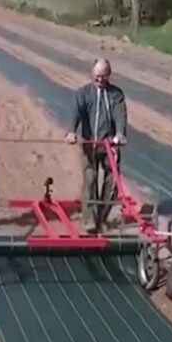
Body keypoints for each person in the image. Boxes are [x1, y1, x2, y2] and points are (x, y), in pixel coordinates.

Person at [65, 58, 127, 232]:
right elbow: (75, 114)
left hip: (110, 146)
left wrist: (120, 134)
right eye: (97, 76)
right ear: (92, 74)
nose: (100, 79)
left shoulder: (116, 94)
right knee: (90, 180)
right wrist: (71, 131)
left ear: (109, 75)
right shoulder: (82, 94)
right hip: (89, 145)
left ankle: (102, 217)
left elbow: (120, 114)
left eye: (104, 76)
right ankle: (88, 220)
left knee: (112, 181)